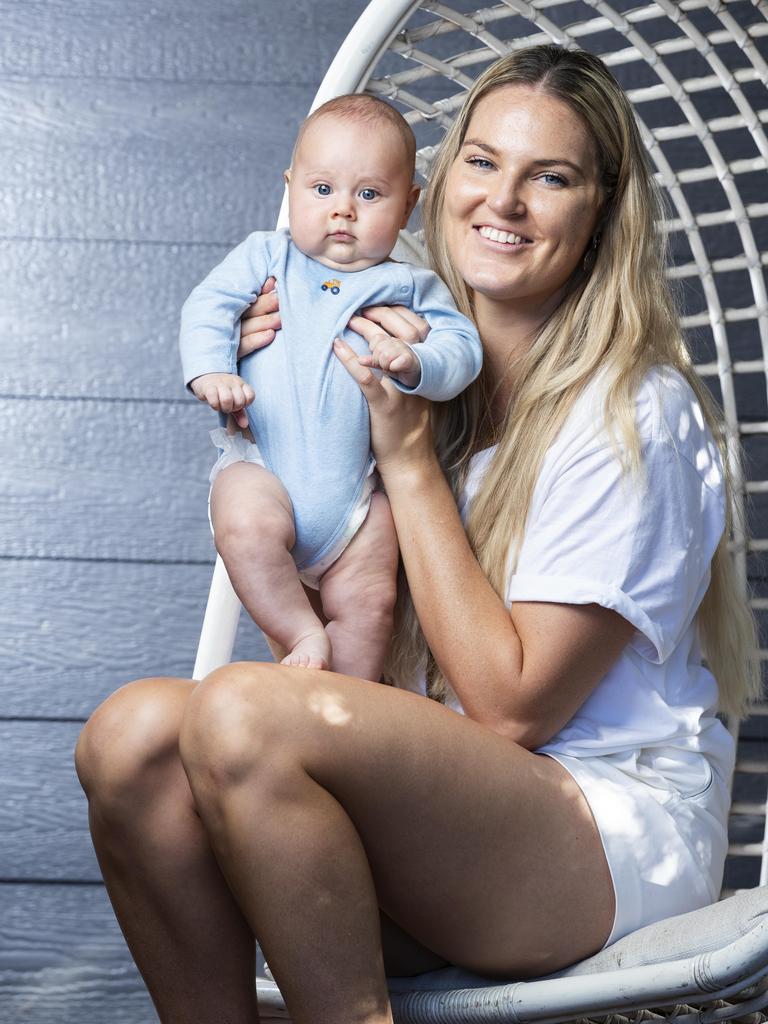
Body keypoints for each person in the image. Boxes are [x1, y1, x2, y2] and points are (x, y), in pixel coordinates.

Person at [75, 44, 759, 1024]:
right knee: (130, 737)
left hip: (600, 833)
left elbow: (514, 709)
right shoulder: (409, 353)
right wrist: (272, 390)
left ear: (601, 209)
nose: (505, 201)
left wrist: (405, 459)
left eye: (550, 176)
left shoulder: (633, 409)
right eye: (483, 163)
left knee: (238, 713)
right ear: (438, 187)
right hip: (433, 808)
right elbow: (322, 645)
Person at [179, 94, 482, 679]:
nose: (342, 210)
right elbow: (208, 306)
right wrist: (212, 370)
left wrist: (417, 360)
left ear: (408, 205)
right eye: (322, 190)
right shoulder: (267, 257)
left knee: (371, 601)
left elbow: (463, 350)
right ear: (290, 187)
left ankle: (349, 702)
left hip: (357, 505)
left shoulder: (410, 286)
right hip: (265, 469)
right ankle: (302, 631)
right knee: (241, 521)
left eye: (368, 194)